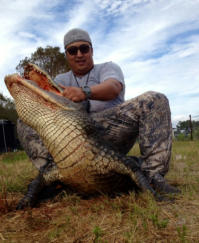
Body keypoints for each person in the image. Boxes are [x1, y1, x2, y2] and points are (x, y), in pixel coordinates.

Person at [17, 28, 180, 195]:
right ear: (67, 55)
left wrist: (84, 92)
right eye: (73, 50)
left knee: (155, 99)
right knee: (24, 118)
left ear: (91, 50)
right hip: (71, 136)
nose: (79, 54)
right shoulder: (60, 80)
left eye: (84, 48)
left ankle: (153, 176)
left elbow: (113, 87)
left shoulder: (107, 68)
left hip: (108, 131)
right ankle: (52, 176)